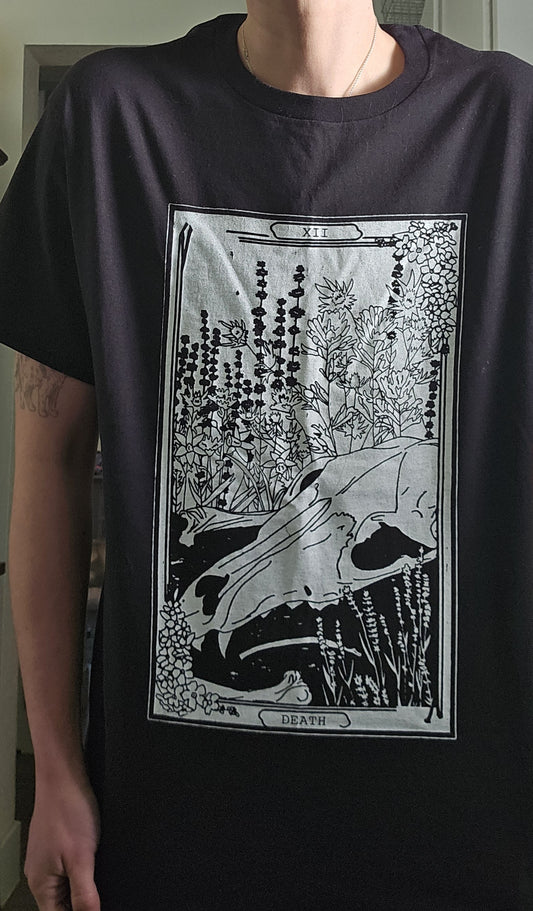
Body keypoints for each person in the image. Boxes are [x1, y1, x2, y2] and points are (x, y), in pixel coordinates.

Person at [1, 0, 532, 908]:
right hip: (170, 820)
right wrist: (55, 769)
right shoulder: (108, 118)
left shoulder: (509, 123)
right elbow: (49, 460)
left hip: (462, 825)